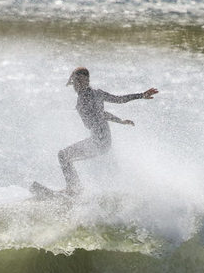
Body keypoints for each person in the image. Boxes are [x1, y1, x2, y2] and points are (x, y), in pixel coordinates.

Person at [55, 67, 158, 195]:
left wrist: (141, 95)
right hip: (102, 142)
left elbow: (119, 100)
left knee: (63, 155)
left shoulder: (90, 95)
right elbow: (102, 113)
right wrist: (120, 120)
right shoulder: (92, 94)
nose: (78, 84)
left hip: (98, 142)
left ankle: (74, 189)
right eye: (76, 81)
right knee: (66, 157)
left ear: (87, 80)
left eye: (81, 80)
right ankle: (75, 188)